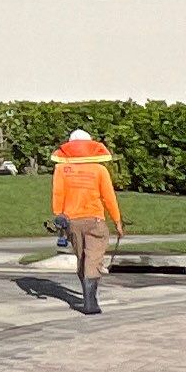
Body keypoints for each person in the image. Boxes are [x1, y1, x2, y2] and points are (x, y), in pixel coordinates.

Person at [50, 126, 122, 313]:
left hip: (72, 222)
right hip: (95, 221)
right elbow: (109, 197)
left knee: (82, 258)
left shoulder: (61, 169)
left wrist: (58, 215)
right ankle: (90, 302)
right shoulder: (100, 170)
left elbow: (58, 194)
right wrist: (117, 221)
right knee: (93, 258)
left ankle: (87, 297)